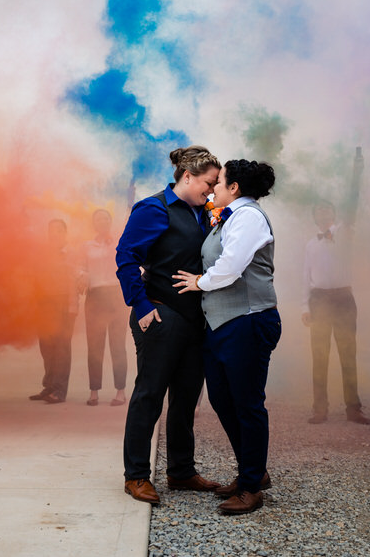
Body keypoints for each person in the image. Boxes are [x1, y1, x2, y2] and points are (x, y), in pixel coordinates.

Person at [116, 145, 222, 505]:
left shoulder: (204, 213)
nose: (213, 189)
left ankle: (180, 471)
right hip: (160, 314)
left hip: (194, 319)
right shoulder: (153, 208)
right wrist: (141, 305)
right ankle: (136, 476)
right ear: (187, 176)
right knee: (149, 396)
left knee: (186, 398)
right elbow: (126, 257)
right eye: (209, 183)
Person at [174, 159, 281, 515]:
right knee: (223, 399)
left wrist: (198, 282)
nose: (212, 189)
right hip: (223, 324)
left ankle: (251, 486)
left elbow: (233, 266)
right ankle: (252, 470)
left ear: (234, 188)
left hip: (248, 321)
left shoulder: (248, 216)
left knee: (248, 404)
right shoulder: (229, 216)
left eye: (218, 183)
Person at [301, 149, 370, 425]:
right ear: (314, 217)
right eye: (318, 210)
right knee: (320, 356)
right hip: (319, 300)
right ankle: (320, 408)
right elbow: (305, 277)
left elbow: (353, 204)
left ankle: (353, 408)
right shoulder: (310, 243)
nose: (323, 212)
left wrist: (357, 173)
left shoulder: (344, 234)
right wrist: (304, 306)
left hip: (343, 299)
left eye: (327, 208)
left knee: (347, 353)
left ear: (333, 214)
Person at [79, 209, 128, 407]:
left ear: (110, 221)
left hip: (116, 296)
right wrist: (81, 276)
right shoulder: (86, 245)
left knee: (117, 345)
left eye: (106, 218)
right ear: (94, 223)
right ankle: (94, 391)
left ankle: (120, 391)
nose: (102, 222)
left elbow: (129, 263)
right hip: (95, 297)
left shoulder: (119, 242)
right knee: (95, 346)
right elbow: (80, 267)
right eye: (98, 219)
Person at [29, 218, 77, 404]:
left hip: (65, 303)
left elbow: (78, 275)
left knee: (62, 347)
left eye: (58, 230)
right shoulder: (43, 253)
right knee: (46, 346)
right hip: (45, 304)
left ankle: (59, 390)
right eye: (51, 230)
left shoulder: (72, 253)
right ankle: (48, 385)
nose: (54, 234)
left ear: (65, 233)